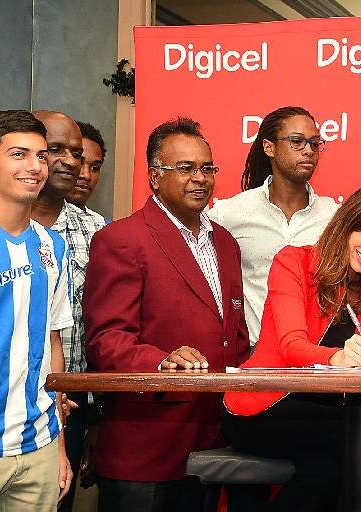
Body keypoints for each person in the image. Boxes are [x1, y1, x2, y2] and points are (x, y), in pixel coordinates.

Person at [83, 118, 250, 512]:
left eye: (207, 168)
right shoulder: (121, 240)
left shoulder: (224, 242)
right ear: (155, 177)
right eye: (186, 168)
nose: (200, 178)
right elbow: (106, 340)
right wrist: (161, 361)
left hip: (215, 445)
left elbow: (233, 335)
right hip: (146, 451)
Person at [223, 180, 361, 512]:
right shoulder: (294, 262)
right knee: (360, 441)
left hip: (327, 412)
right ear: (347, 222)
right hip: (262, 406)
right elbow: (290, 346)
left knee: (331, 468)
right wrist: (340, 357)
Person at [0, 110, 73, 510]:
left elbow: (52, 343)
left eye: (41, 156)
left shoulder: (52, 246)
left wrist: (58, 446)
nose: (35, 167)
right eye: (18, 154)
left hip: (36, 448)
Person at [30, 110, 108, 512]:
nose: (70, 162)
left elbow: (104, 328)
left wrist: (96, 415)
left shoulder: (98, 231)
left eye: (75, 152)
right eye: (54, 149)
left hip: (70, 408)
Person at [209, 106, 338, 346]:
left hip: (318, 360)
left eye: (314, 143)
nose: (309, 151)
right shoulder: (229, 213)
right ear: (269, 147)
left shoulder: (334, 217)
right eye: (297, 142)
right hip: (255, 357)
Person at [66, 121, 109, 223]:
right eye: (79, 163)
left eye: (95, 168)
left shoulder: (102, 229)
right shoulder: (25, 222)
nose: (86, 175)